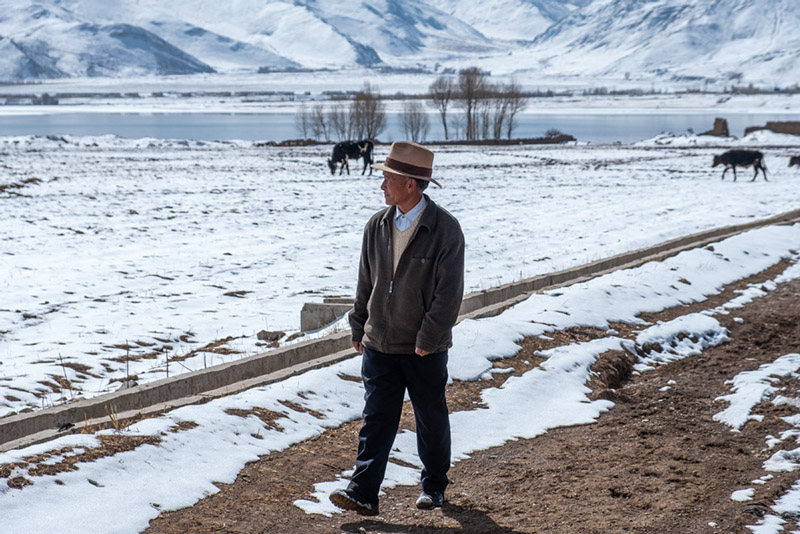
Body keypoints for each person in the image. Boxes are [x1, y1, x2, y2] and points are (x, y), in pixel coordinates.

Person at [330, 141, 465, 516]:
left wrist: (429, 337)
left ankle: (434, 486)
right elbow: (365, 281)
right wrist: (359, 325)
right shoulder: (376, 225)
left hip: (424, 348)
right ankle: (362, 492)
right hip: (379, 344)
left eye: (388, 178)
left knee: (430, 419)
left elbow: (449, 294)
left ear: (411, 184)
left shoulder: (445, 230)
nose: (381, 185)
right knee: (376, 420)